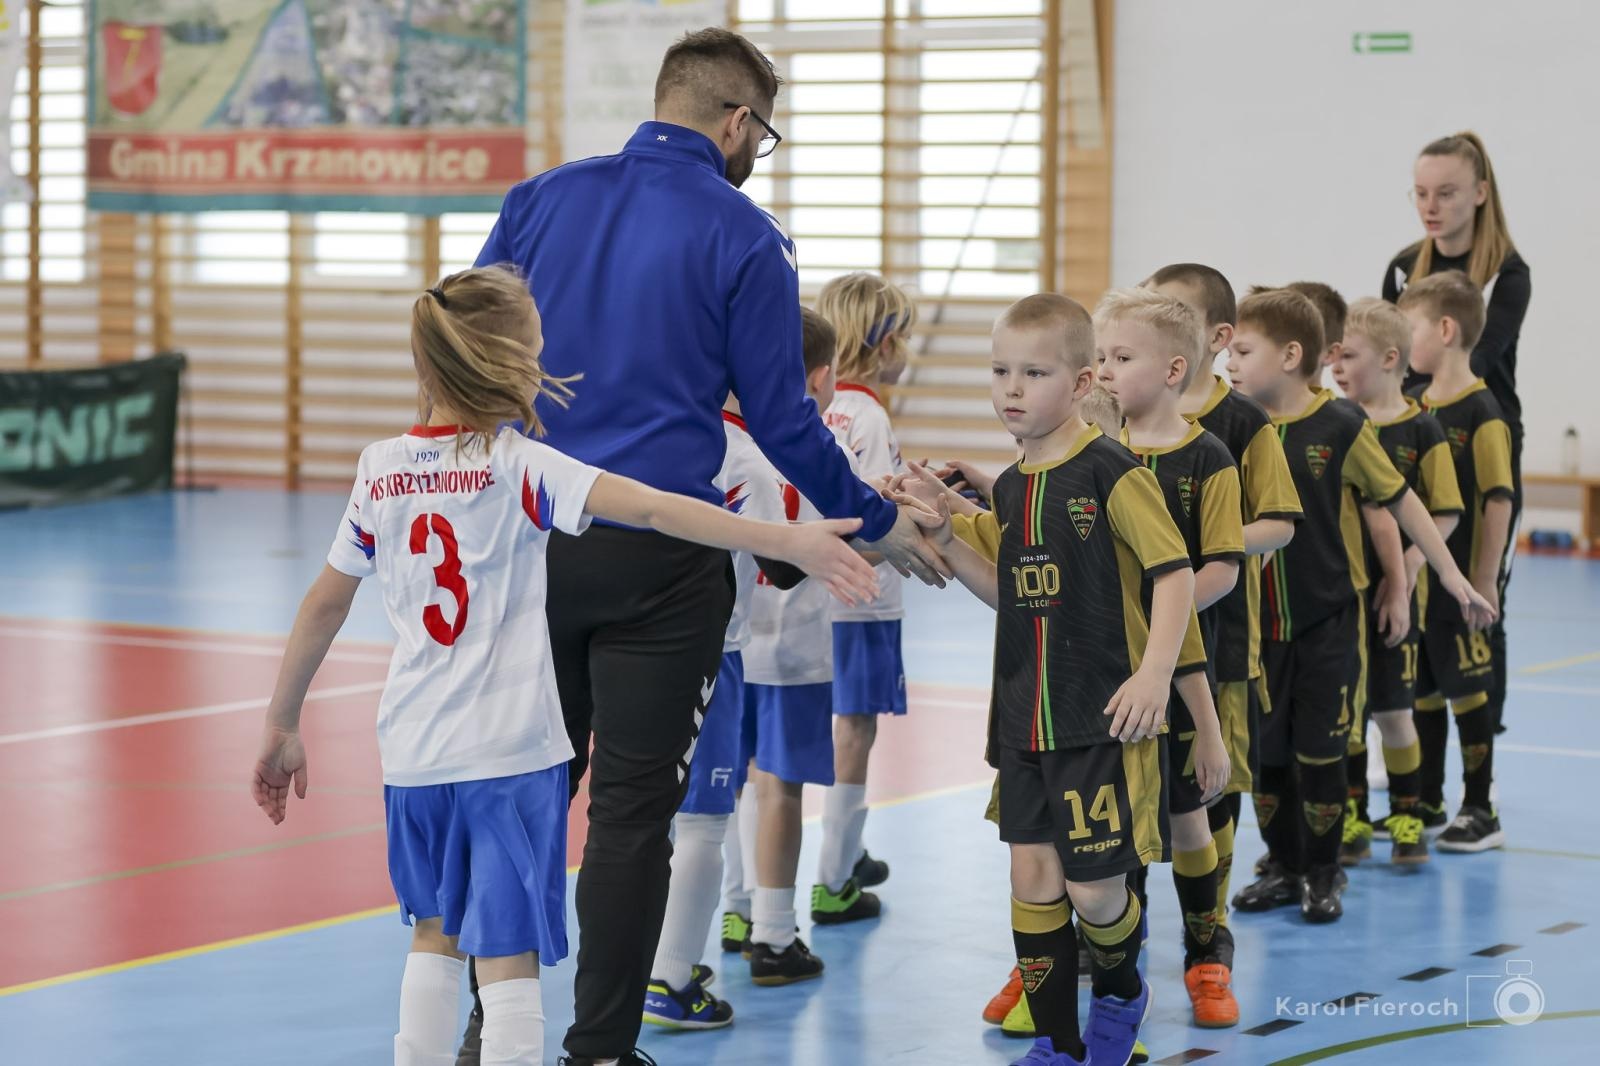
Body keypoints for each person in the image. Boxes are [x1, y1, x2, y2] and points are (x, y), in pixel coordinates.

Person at [248, 268, 880, 1066]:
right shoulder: (520, 465)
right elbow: (654, 507)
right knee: (507, 955)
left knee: (434, 935)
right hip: (507, 755)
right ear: (512, 364)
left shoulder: (380, 469)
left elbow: (324, 602)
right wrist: (786, 540)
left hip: (411, 755)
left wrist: (281, 722)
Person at [469, 27, 947, 1065]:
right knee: (632, 817)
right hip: (660, 558)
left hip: (530, 539)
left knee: (523, 799)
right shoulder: (747, 233)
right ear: (738, 122)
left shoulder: (538, 199)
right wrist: (872, 519)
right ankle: (599, 1049)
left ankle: (486, 1038)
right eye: (759, 137)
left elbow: (471, 357)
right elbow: (783, 419)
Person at [903, 293, 1208, 1066]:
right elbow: (1008, 590)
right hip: (1021, 718)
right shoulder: (1010, 486)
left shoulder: (1112, 472)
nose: (1012, 388)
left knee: (1095, 891)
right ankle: (1059, 1043)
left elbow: (1175, 574)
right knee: (1032, 877)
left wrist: (1153, 675)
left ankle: (1122, 992)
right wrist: (947, 538)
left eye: (1034, 373)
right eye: (1000, 371)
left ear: (1079, 384)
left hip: (1097, 718)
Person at [1224, 289, 1493, 923]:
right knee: (1267, 759)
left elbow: (1401, 502)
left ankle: (1323, 872)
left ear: (1291, 356)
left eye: (1243, 351)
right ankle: (1284, 866)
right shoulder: (1234, 425)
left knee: (1321, 753)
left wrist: (1450, 575)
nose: (1229, 363)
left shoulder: (1342, 425)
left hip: (1328, 627)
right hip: (1258, 629)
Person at [642, 348, 805, 1030]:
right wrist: (862, 525)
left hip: (634, 651)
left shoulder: (653, 431)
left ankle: (644, 964)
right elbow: (783, 565)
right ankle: (670, 977)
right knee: (704, 823)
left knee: (642, 820)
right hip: (711, 654)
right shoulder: (743, 458)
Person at [1095, 288, 1240, 1029]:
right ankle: (1103, 961)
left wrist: (1158, 616)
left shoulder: (1208, 456)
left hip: (1179, 670)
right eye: (1100, 357)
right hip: (1104, 676)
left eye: (1122, 357)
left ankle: (1207, 955)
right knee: (1109, 822)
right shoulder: (1096, 452)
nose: (1105, 371)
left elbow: (1223, 567)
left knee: (1188, 819)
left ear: (1175, 369)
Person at [1147, 263, 1300, 956]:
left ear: (1216, 338)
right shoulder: (1121, 416)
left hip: (1222, 640)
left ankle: (1207, 932)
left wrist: (1204, 549)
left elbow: (1280, 524)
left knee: (1212, 784)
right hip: (1135, 640)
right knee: (1137, 783)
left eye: (1173, 314)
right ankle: (1113, 928)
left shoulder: (1242, 425)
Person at [1384, 131, 1530, 737]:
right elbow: (1392, 359)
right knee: (1411, 579)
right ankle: (1408, 737)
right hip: (1415, 439)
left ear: (1480, 194)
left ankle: (1482, 745)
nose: (1431, 205)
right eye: (1420, 193)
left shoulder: (1506, 274)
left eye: (1445, 193)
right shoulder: (1403, 267)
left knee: (1481, 587)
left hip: (1481, 438)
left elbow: (1479, 359)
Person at [741, 309, 869, 984]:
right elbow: (852, 533)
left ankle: (736, 911)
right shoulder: (826, 447)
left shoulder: (725, 439)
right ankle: (774, 934)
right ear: (821, 379)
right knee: (781, 791)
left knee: (732, 786)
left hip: (730, 644)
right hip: (793, 648)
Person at [1331, 297, 1464, 864]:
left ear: (1389, 359)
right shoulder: (1338, 423)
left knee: (1392, 711)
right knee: (1348, 714)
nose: (1336, 367)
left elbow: (1445, 511)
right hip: (1343, 596)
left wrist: (1404, 574)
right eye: (1334, 356)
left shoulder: (1423, 428)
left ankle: (1409, 813)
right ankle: (1353, 815)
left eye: (1348, 356)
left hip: (1398, 600)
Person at [1399, 272, 1516, 852]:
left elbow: (1499, 497)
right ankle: (1428, 796)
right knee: (1422, 689)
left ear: (1445, 330)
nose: (1402, 341)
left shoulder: (1482, 410)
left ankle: (1479, 807)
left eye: (1409, 328)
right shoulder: (1415, 404)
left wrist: (1484, 578)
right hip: (1419, 584)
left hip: (1461, 580)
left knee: (1468, 690)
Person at [814, 271, 918, 918]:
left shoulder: (809, 408)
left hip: (808, 596)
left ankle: (847, 852)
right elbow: (874, 520)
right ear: (884, 347)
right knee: (856, 728)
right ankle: (833, 878)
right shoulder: (870, 416)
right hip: (863, 597)